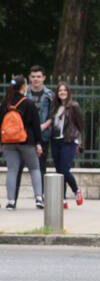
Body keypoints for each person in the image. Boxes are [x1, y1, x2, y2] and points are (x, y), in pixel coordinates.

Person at [2, 75, 45, 209]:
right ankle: (38, 198)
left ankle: (11, 201)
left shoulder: (5, 103)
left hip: (8, 142)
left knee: (12, 170)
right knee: (34, 168)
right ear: (23, 86)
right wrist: (38, 142)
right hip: (27, 140)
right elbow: (36, 125)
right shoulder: (28, 103)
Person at [13, 65, 54, 199]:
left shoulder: (50, 95)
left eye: (38, 77)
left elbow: (53, 115)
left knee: (40, 167)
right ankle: (13, 198)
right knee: (17, 167)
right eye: (33, 77)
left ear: (44, 78)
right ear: (30, 78)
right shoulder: (23, 93)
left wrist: (44, 125)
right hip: (23, 135)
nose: (36, 79)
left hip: (42, 135)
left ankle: (39, 197)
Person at [50, 82, 85, 209]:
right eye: (60, 91)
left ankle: (76, 191)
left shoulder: (74, 106)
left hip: (69, 140)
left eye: (65, 90)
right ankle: (62, 199)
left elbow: (81, 125)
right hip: (55, 140)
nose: (62, 92)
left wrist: (79, 141)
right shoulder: (55, 106)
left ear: (68, 92)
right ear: (57, 93)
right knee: (59, 171)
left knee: (64, 170)